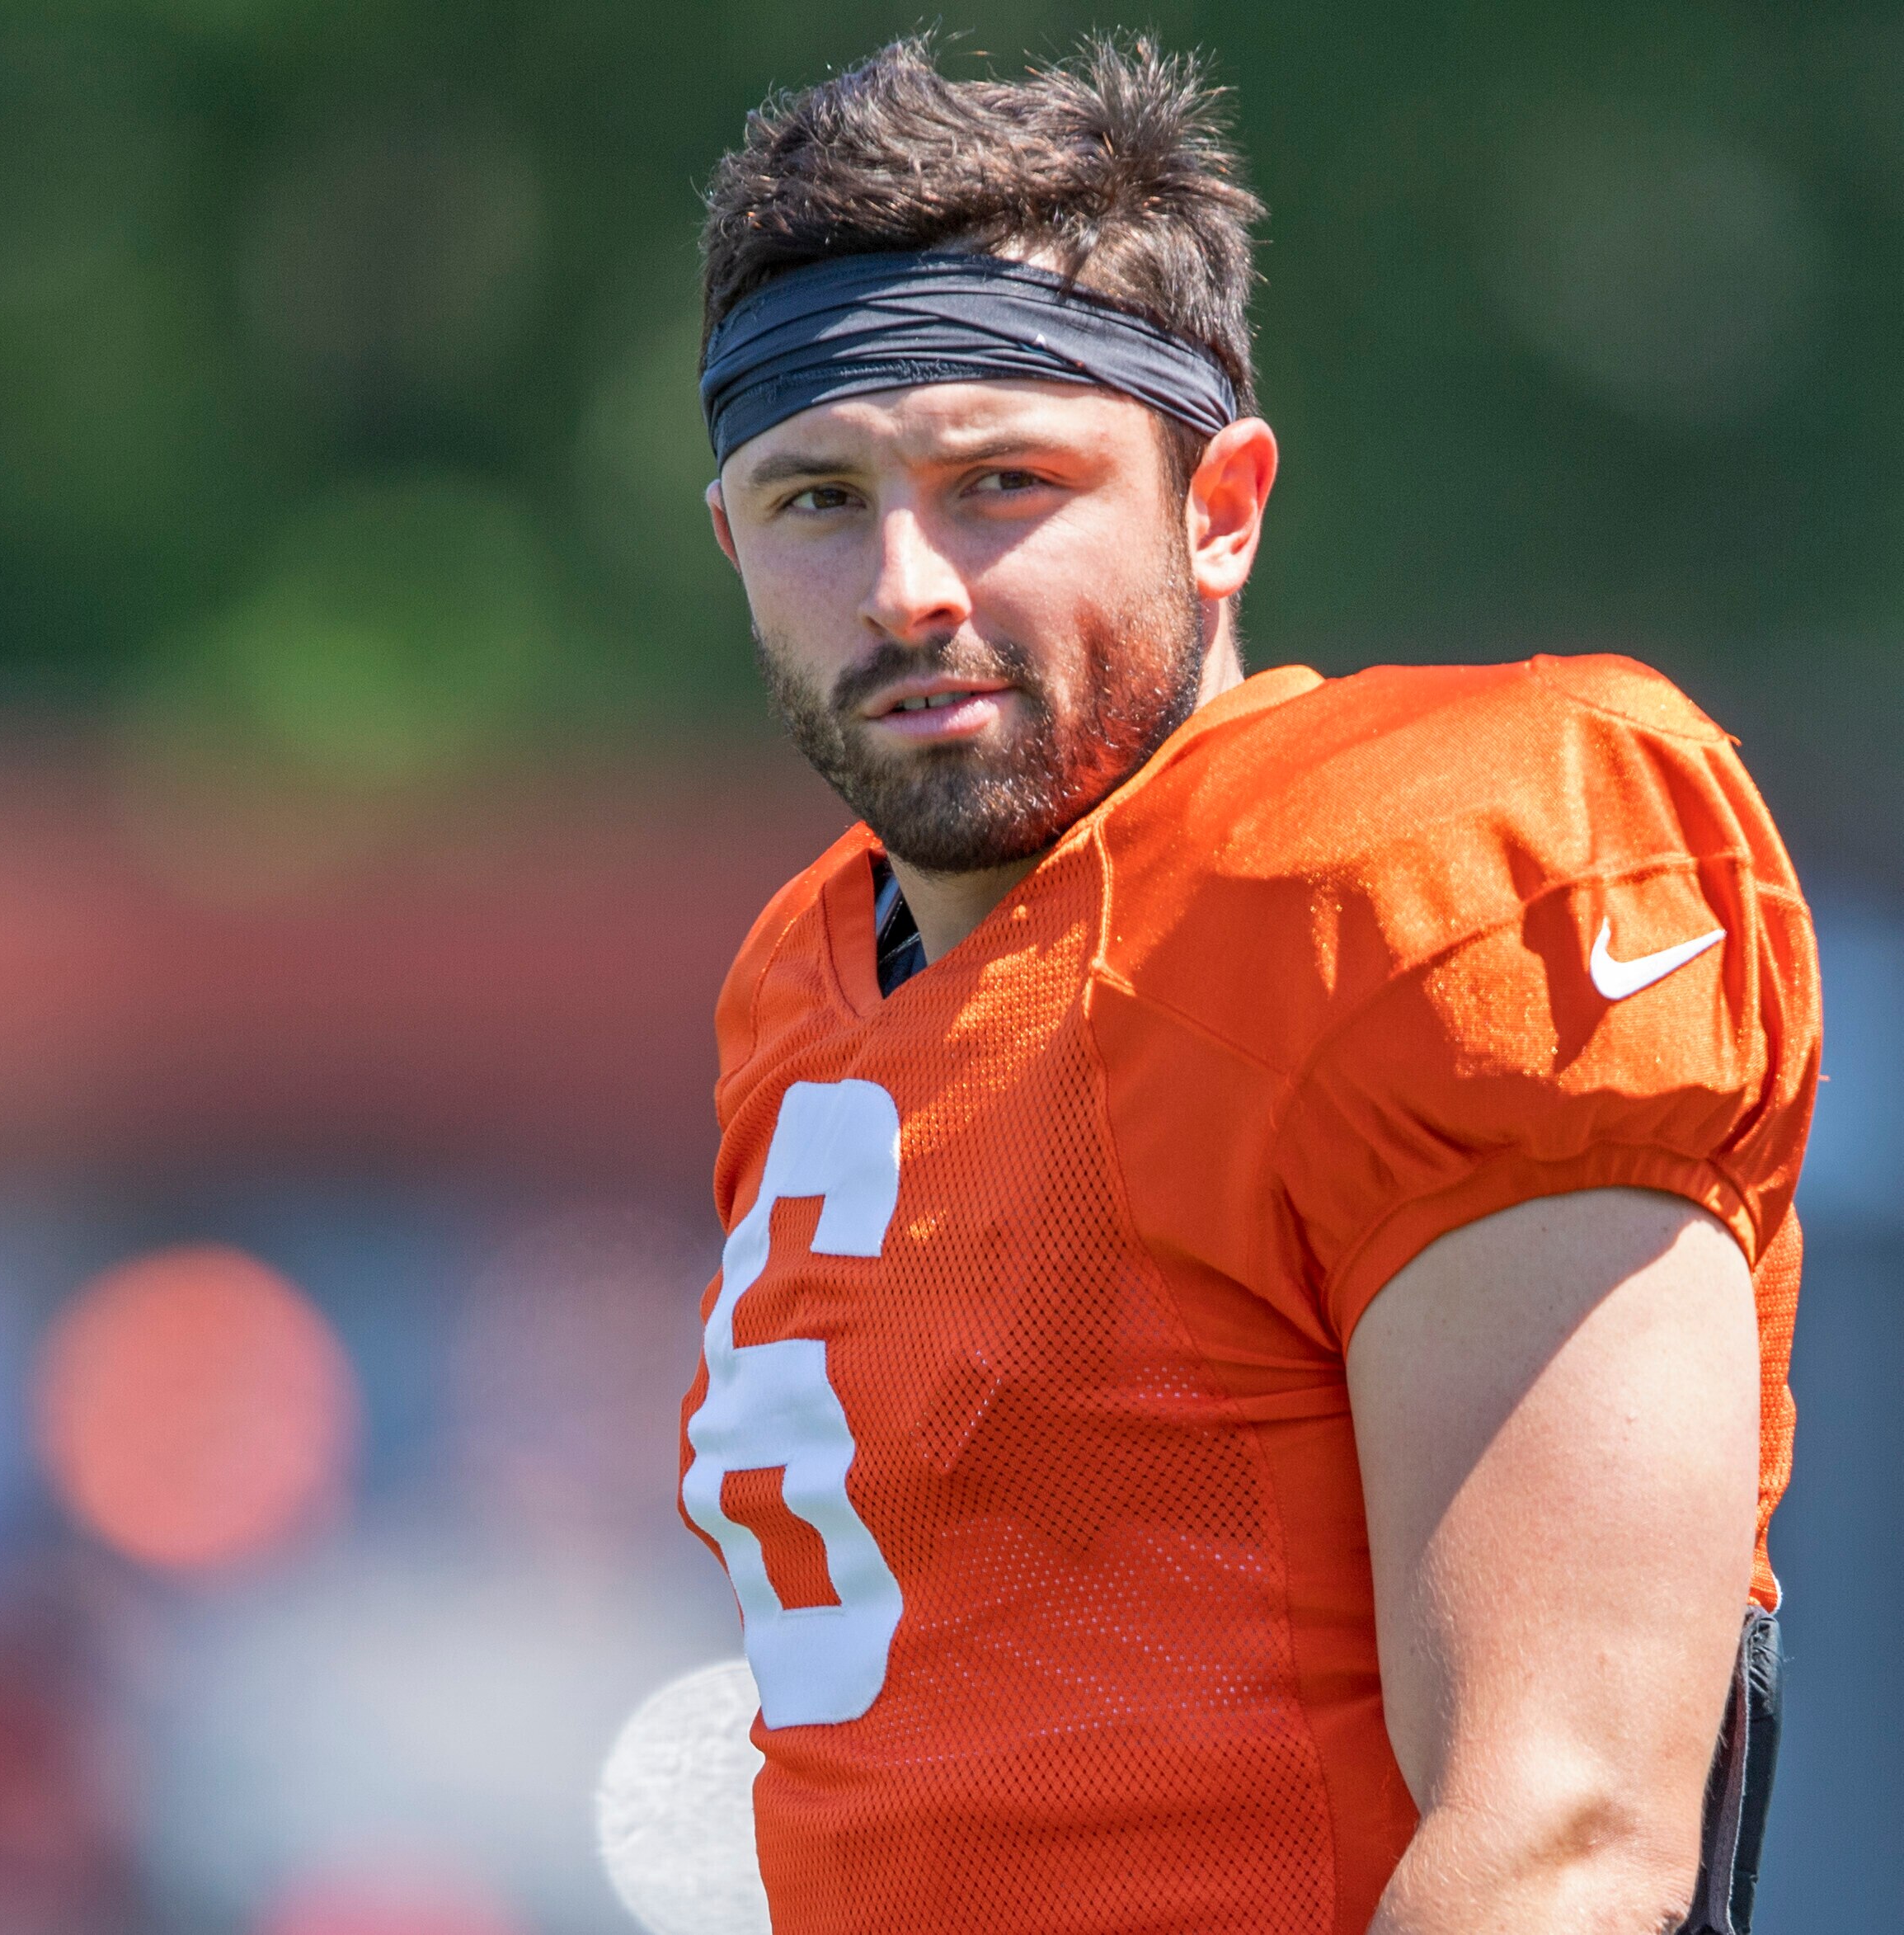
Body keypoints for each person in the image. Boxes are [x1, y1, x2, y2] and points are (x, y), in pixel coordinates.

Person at [672, 35, 1817, 1935]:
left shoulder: (1418, 875)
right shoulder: (798, 986)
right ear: (729, 541)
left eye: (999, 482)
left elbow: (1565, 1834)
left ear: (1216, 508)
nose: (903, 585)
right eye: (814, 498)